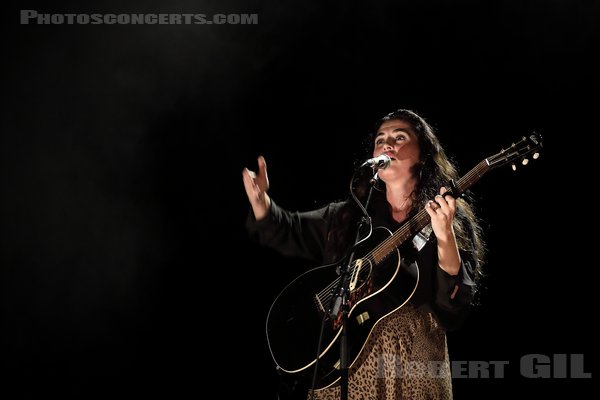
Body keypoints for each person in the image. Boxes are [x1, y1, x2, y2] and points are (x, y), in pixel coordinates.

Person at [243, 109, 485, 400]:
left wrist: (444, 235)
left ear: (423, 155)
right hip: (347, 356)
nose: (387, 144)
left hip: (412, 360)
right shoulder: (351, 216)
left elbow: (453, 307)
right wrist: (262, 204)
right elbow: (291, 229)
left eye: (399, 137)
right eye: (381, 139)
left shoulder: (447, 218)